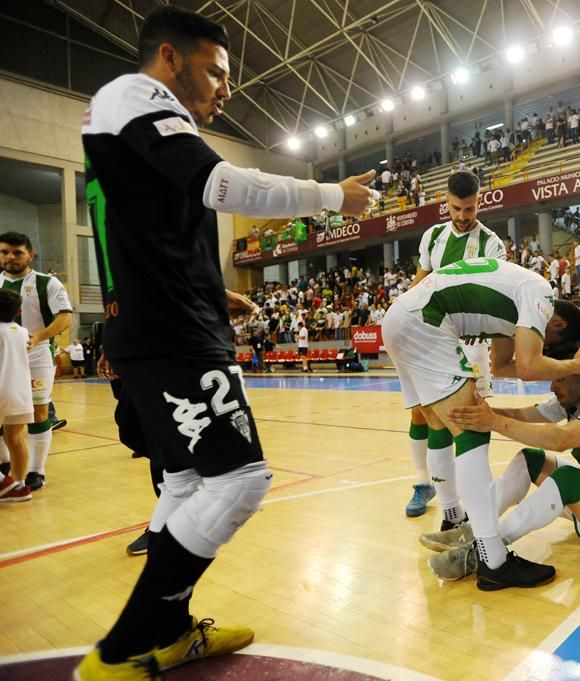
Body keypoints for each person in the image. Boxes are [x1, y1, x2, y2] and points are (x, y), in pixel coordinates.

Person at [76, 7, 378, 679]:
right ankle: (123, 648)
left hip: (167, 324)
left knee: (185, 480)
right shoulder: (134, 96)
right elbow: (221, 185)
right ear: (168, 59)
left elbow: (155, 231)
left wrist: (215, 293)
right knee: (241, 479)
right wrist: (330, 195)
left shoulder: (143, 125)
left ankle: (173, 630)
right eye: (216, 71)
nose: (226, 88)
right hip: (172, 336)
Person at [381, 258, 580, 591]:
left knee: (441, 424)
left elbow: (502, 366)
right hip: (426, 323)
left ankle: (453, 516)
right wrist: (576, 363)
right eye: (551, 345)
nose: (546, 349)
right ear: (554, 323)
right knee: (472, 428)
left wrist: (555, 361)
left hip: (401, 318)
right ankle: (493, 560)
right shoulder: (540, 292)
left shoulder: (513, 306)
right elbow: (528, 367)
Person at [418, 342, 580, 577]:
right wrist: (472, 412)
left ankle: (483, 550)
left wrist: (493, 422)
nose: (553, 386)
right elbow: (520, 415)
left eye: (561, 378)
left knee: (567, 478)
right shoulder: (569, 404)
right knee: (531, 459)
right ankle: (471, 532)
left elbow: (561, 440)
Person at [405, 170, 506, 520]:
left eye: (470, 209)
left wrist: (484, 326)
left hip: (470, 342)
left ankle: (474, 498)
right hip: (430, 340)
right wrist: (403, 315)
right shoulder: (432, 237)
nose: (463, 217)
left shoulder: (492, 244)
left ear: (480, 202)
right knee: (422, 412)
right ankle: (425, 484)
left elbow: (494, 294)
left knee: (468, 419)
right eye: (456, 209)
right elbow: (419, 284)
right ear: (444, 202)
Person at [0, 232, 73, 492]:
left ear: (31, 254)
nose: (10, 257)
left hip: (37, 356)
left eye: (17, 252)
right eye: (5, 252)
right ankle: (6, 468)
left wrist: (38, 336)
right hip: (2, 357)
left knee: (39, 412)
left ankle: (36, 471)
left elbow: (65, 317)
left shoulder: (47, 283)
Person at [0, 288, 34, 502]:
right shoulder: (23, 332)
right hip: (20, 392)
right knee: (16, 438)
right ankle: (19, 486)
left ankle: (4, 482)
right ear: (19, 310)